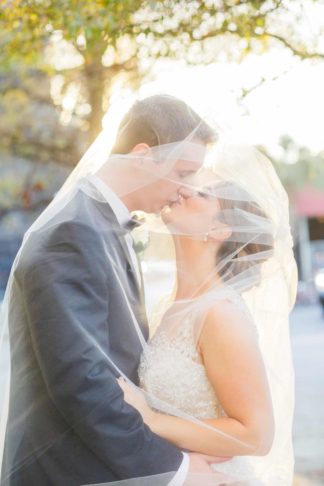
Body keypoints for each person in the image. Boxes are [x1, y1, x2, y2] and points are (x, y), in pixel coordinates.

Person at [0, 95, 228, 486]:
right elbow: (82, 381)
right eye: (185, 172)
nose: (186, 190)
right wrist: (177, 470)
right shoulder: (71, 233)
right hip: (64, 471)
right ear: (142, 156)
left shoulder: (101, 224)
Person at [117, 145, 297, 485]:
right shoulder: (170, 307)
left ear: (219, 231)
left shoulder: (220, 314)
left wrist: (152, 422)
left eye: (201, 193)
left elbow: (256, 436)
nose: (182, 189)